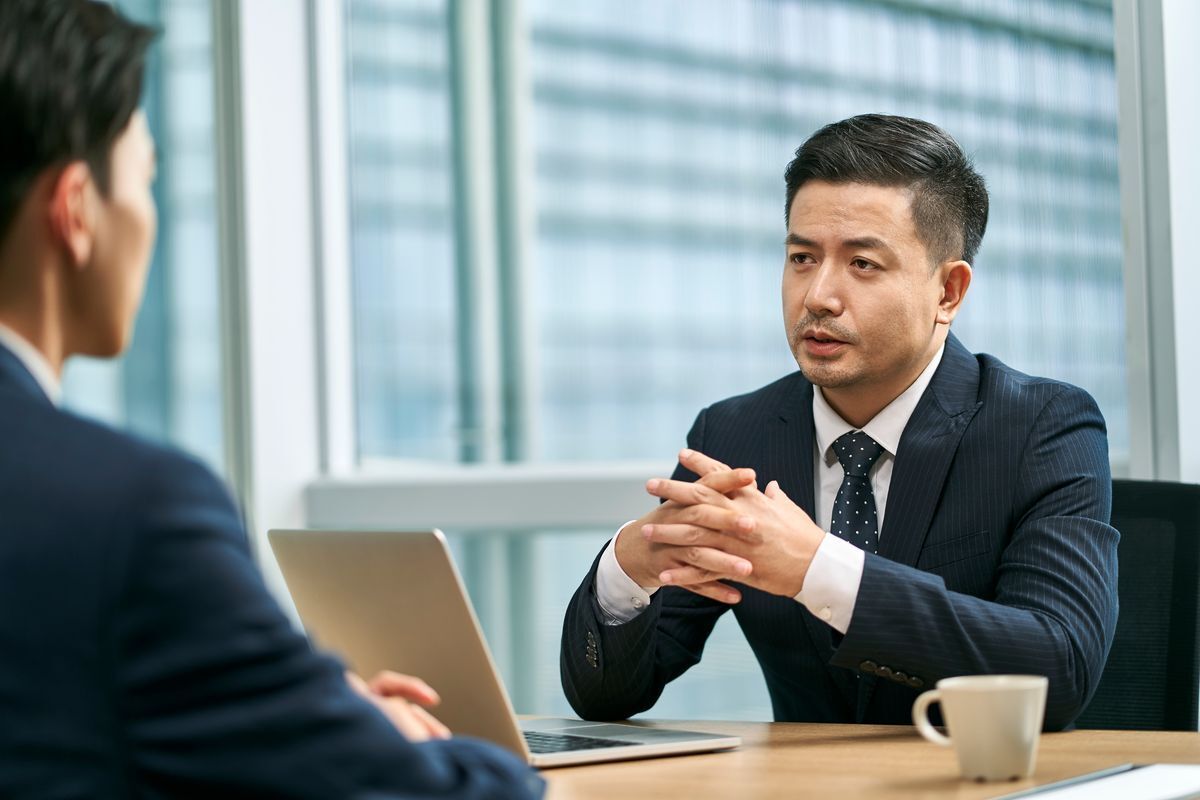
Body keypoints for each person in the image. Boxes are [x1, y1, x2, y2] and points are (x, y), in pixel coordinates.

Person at [0, 2, 543, 797]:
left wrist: (297, 712)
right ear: (75, 209)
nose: (149, 217)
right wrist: (380, 737)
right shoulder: (134, 513)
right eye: (146, 180)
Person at [560, 113, 1118, 732]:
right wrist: (625, 571)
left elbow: (1060, 669)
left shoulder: (1042, 427)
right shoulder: (735, 434)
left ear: (948, 292)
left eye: (863, 264)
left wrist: (817, 568)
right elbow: (608, 700)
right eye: (802, 257)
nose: (818, 296)